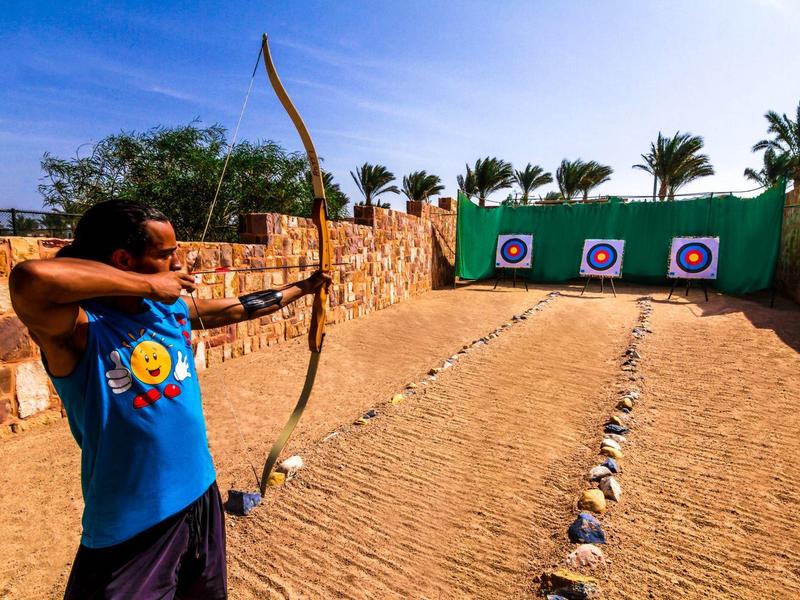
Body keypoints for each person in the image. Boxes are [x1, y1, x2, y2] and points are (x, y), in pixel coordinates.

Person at [9, 200, 330, 599]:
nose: (178, 262)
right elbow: (29, 278)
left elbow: (241, 309)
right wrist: (149, 284)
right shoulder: (80, 327)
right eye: (166, 254)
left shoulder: (170, 311)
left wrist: (305, 288)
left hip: (201, 496)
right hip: (131, 525)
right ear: (124, 259)